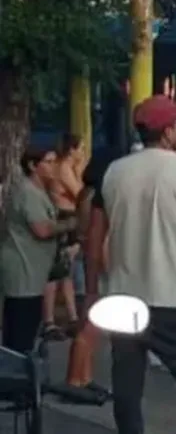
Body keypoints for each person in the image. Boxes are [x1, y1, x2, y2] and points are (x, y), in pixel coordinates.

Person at [86, 95, 176, 434]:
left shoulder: (114, 172)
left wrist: (92, 293)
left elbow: (94, 239)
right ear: (167, 130)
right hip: (174, 299)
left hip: (123, 298)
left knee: (127, 389)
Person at [0, 146, 74, 353]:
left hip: (33, 271)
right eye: (48, 162)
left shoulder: (40, 191)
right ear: (33, 166)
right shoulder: (27, 191)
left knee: (25, 326)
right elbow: (41, 229)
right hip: (23, 271)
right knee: (21, 330)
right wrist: (70, 225)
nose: (53, 167)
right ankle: (16, 376)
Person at [65, 147, 120, 397]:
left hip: (91, 260)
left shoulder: (87, 194)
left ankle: (84, 377)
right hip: (95, 263)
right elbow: (97, 236)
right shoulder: (94, 198)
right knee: (90, 326)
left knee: (92, 325)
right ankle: (76, 379)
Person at [43, 133, 87, 337]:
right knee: (56, 271)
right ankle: (49, 321)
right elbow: (80, 193)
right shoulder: (63, 168)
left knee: (66, 272)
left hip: (70, 217)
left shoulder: (69, 168)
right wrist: (79, 171)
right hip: (64, 216)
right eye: (80, 149)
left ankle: (72, 317)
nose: (83, 153)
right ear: (72, 150)